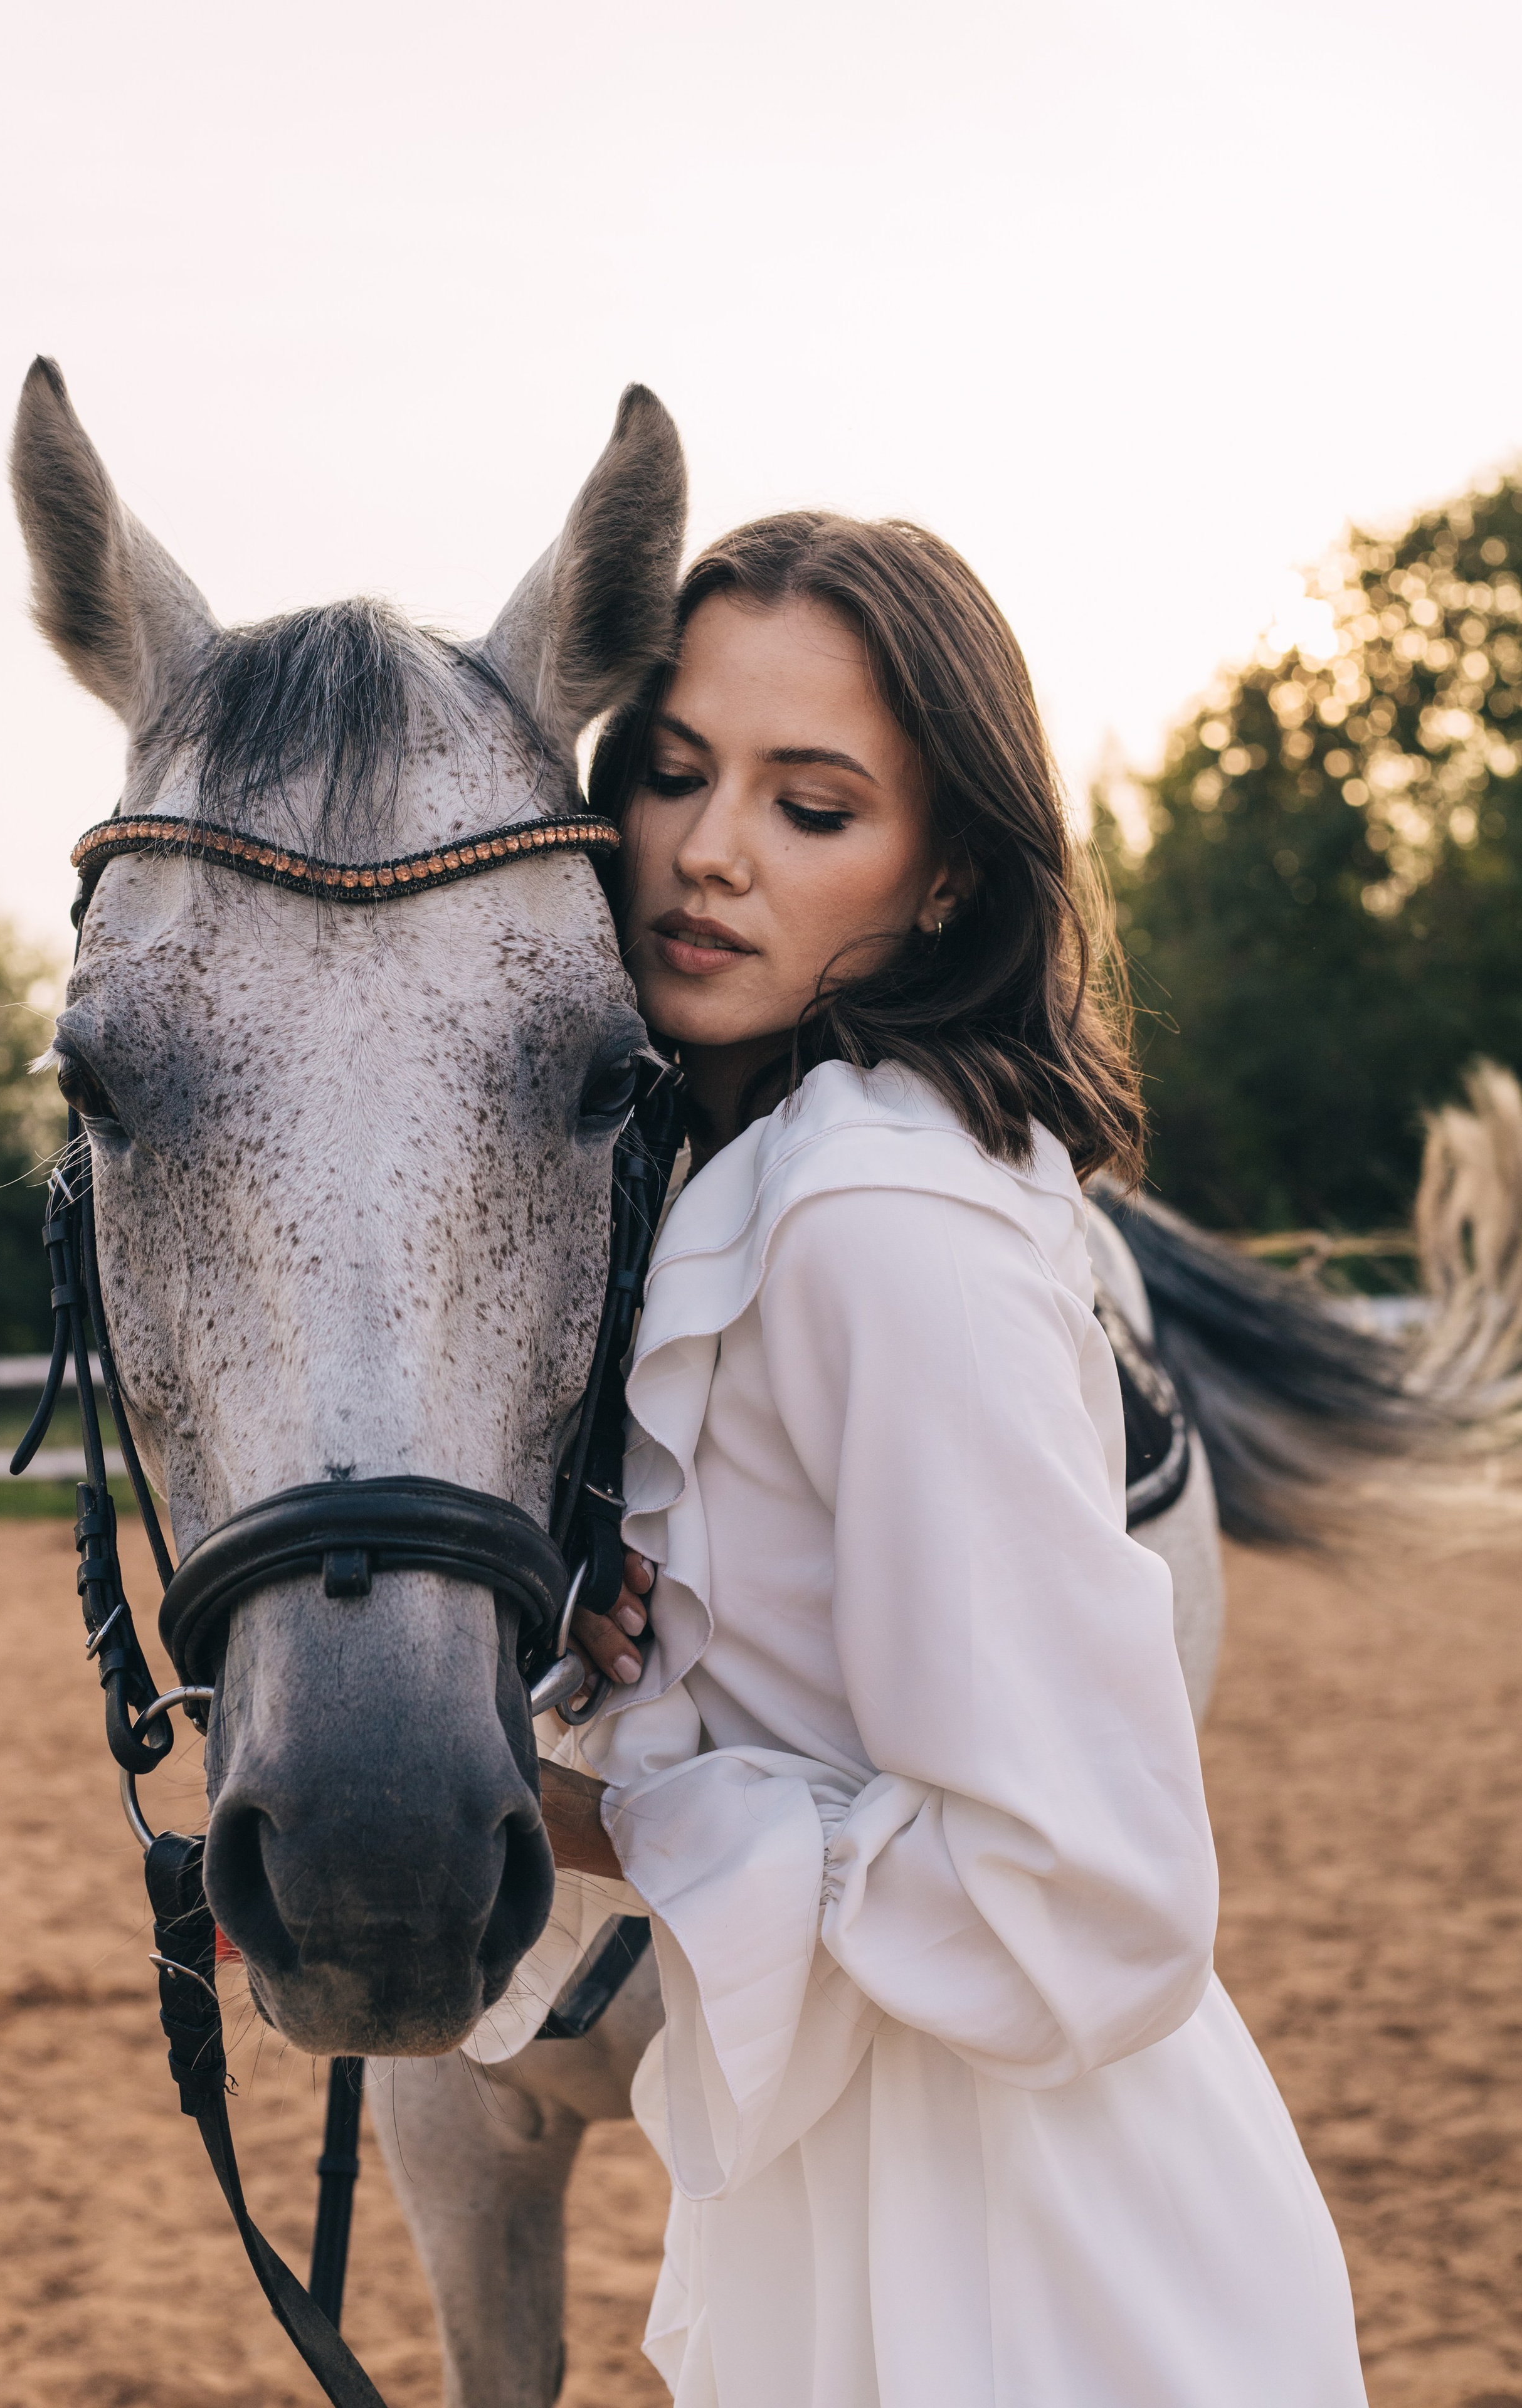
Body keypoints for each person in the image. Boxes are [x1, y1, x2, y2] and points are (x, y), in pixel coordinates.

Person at [534, 513, 1368, 2404]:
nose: (711, 850)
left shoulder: (877, 1227)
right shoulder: (785, 1184)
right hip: (895, 2195)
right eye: (673, 775)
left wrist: (595, 1821)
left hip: (1023, 2258)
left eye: (813, 808)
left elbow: (1091, 1895)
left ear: (943, 885)